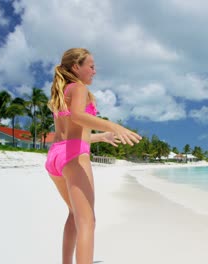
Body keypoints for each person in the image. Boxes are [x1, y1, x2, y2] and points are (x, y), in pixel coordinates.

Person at [45, 48, 142, 264]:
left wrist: (102, 136)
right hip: (74, 157)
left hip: (56, 156)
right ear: (76, 67)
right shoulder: (78, 88)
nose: (94, 71)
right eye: (91, 66)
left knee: (74, 214)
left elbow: (72, 135)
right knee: (88, 221)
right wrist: (114, 126)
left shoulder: (62, 92)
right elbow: (78, 117)